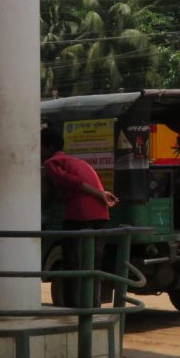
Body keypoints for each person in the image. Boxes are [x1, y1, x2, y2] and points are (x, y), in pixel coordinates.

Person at [40, 126, 119, 307]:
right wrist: (101, 194)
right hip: (100, 215)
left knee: (72, 263)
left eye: (39, 147)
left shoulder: (51, 163)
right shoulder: (77, 162)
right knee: (93, 264)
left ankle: (73, 309)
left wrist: (100, 194)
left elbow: (72, 182)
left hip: (80, 214)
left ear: (48, 148)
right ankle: (93, 306)